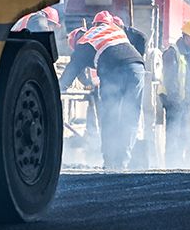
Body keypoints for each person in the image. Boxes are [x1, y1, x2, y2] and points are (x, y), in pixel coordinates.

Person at [59, 11, 146, 169]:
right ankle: (123, 162)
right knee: (131, 116)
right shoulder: (114, 29)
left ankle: (110, 162)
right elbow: (142, 37)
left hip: (114, 70)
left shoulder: (84, 42)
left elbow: (72, 70)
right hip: (137, 67)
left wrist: (57, 90)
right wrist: (138, 57)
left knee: (109, 116)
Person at [161, 20, 190, 167]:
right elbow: (170, 80)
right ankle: (171, 167)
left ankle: (181, 166)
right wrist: (176, 102)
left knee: (184, 137)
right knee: (173, 137)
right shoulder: (172, 53)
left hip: (187, 104)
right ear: (186, 36)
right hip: (174, 104)